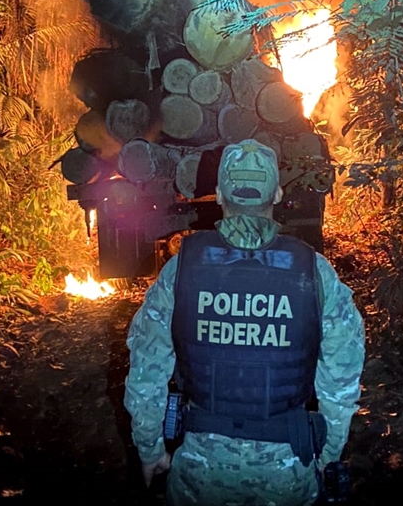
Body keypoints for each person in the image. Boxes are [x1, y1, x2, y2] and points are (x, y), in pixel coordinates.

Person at [124, 139, 365, 506]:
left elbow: (147, 370)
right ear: (278, 192)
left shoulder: (181, 268)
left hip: (200, 474)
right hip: (289, 474)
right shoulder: (314, 271)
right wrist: (329, 455)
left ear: (219, 194)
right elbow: (342, 380)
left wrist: (149, 448)